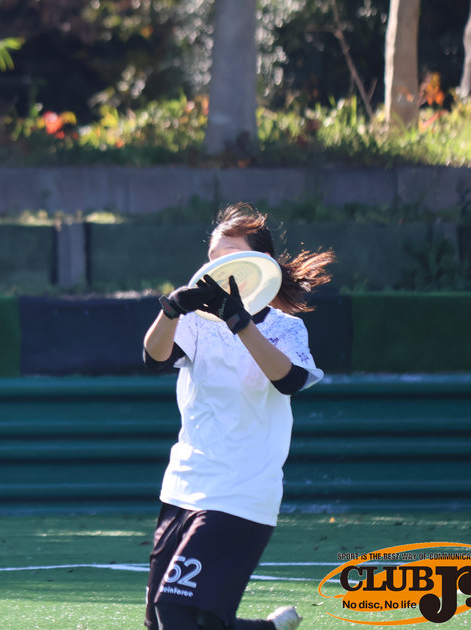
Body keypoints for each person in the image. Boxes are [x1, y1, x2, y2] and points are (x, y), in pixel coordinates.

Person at [142, 203, 335, 630]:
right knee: (165, 621)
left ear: (257, 264)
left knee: (176, 611)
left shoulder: (285, 328)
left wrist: (239, 322)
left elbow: (289, 380)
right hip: (184, 484)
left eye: (228, 258)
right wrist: (170, 309)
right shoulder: (196, 322)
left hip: (242, 491)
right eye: (212, 259)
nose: (216, 268)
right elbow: (153, 358)